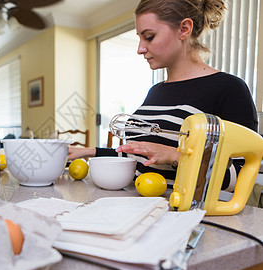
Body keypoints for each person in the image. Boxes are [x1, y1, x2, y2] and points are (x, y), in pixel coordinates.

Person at [69, 0, 258, 190]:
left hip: (181, 214)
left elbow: (243, 176)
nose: (140, 48)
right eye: (140, 38)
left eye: (149, 37)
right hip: (135, 206)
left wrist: (176, 156)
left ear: (184, 29)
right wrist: (85, 151)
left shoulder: (229, 89)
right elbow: (141, 157)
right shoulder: (156, 90)